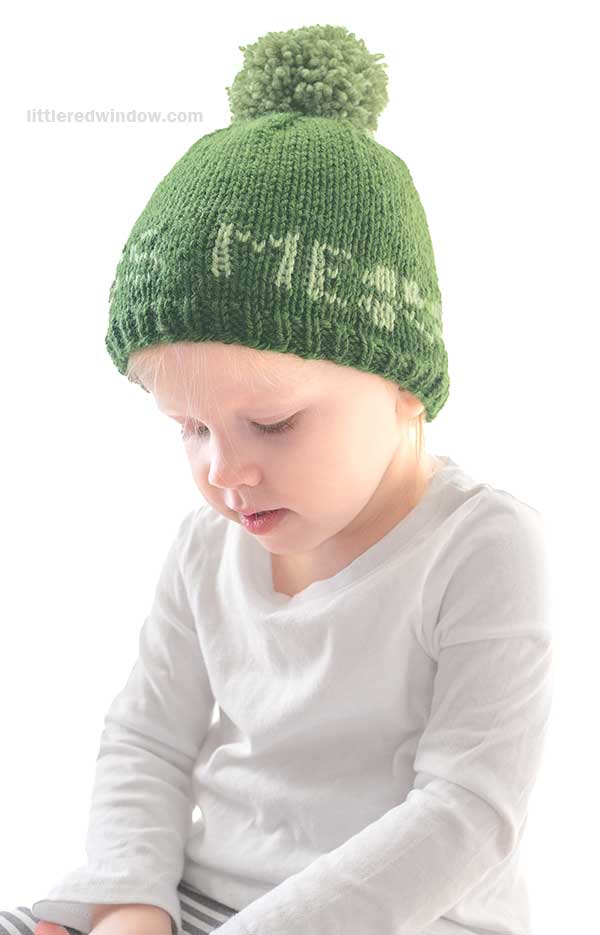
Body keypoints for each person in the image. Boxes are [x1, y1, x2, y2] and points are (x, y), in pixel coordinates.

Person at [1, 22, 553, 935]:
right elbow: (145, 738)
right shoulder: (204, 545)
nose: (226, 471)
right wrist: (132, 906)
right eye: (189, 429)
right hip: (197, 904)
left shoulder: (484, 546)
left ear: (404, 382)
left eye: (273, 422)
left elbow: (467, 813)